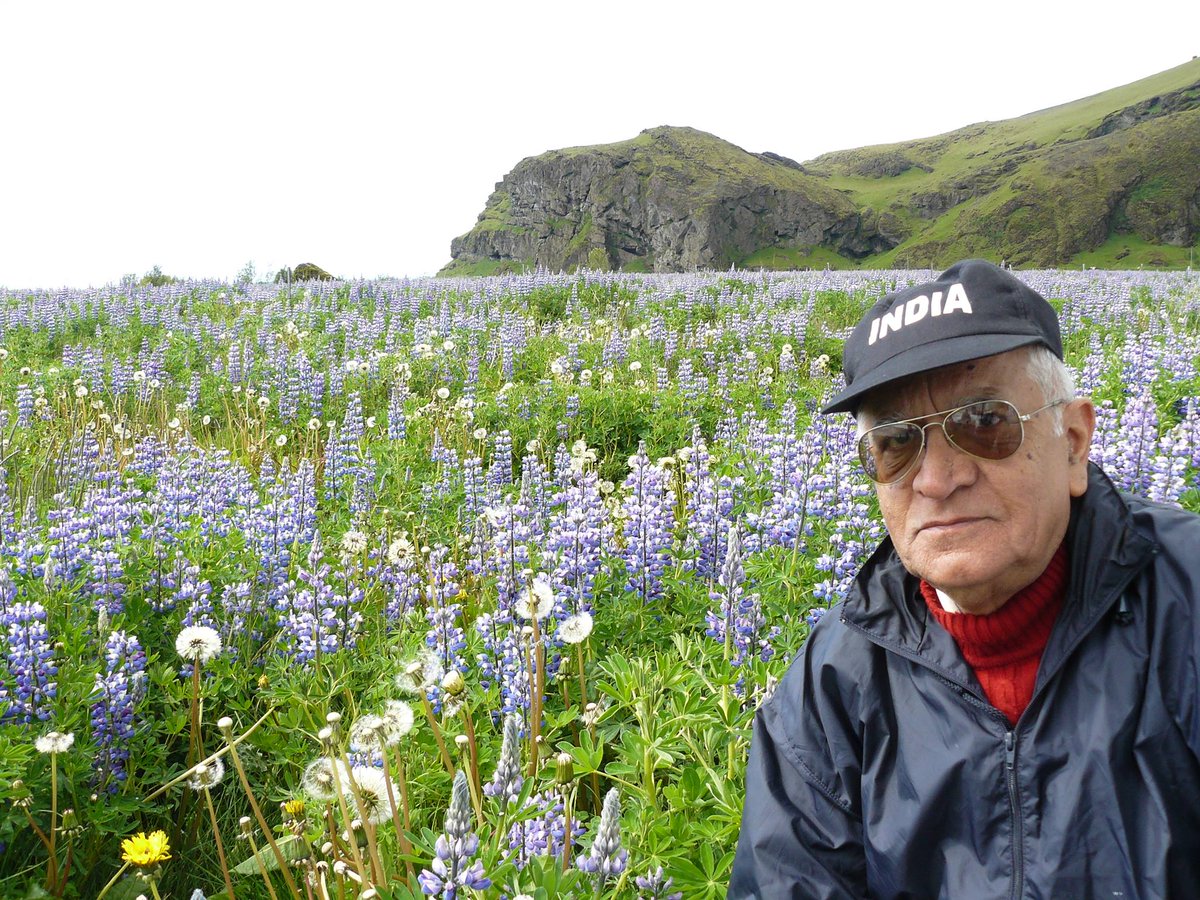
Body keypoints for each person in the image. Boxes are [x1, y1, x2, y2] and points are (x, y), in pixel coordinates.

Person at [728, 259, 1200, 898]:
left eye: (984, 422)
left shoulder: (1187, 600)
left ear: (1074, 441)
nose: (936, 479)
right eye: (895, 442)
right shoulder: (830, 689)